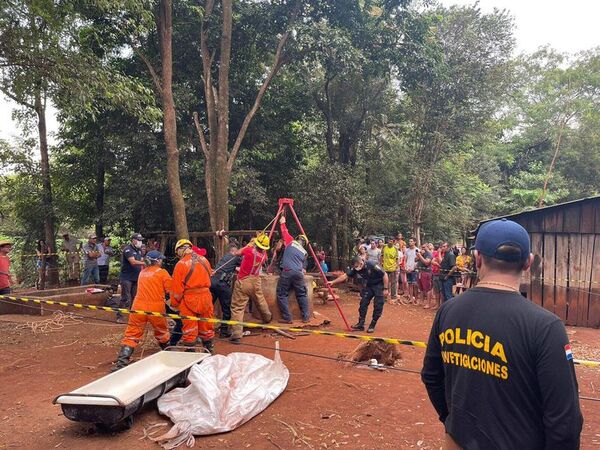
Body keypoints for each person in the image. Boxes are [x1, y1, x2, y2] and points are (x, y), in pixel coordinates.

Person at [421, 219, 583, 449]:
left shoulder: (449, 310)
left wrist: (453, 422)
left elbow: (431, 376)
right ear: (528, 262)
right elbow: (564, 418)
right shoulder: (546, 326)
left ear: (478, 258)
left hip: (458, 441)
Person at [112, 250, 172, 371]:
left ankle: (122, 363)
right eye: (161, 259)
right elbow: (170, 290)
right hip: (156, 307)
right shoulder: (162, 273)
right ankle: (170, 356)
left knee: (132, 334)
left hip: (138, 307)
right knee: (162, 332)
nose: (162, 261)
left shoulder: (142, 272)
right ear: (157, 261)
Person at [171, 239, 215, 352]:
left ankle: (190, 355)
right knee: (206, 327)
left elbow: (177, 290)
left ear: (180, 250)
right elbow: (209, 276)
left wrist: (175, 304)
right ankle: (209, 352)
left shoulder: (180, 264)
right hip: (206, 298)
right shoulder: (204, 260)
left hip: (189, 299)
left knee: (190, 330)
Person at [229, 234, 273, 344]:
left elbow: (237, 253)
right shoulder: (263, 255)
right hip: (255, 281)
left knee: (238, 308)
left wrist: (249, 244)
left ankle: (236, 334)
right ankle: (267, 317)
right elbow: (263, 252)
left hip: (243, 281)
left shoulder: (249, 250)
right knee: (260, 300)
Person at [329, 255, 389, 333]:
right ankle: (360, 324)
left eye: (357, 266)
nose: (356, 268)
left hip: (379, 285)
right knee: (363, 303)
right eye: (355, 267)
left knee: (378, 305)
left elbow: (385, 275)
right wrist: (333, 282)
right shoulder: (355, 269)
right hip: (369, 285)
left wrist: (385, 289)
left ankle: (372, 324)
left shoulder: (371, 264)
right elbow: (345, 276)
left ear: (361, 262)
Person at [276, 216, 310, 323]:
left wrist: (282, 222)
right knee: (301, 294)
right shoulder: (305, 252)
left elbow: (284, 230)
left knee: (281, 294)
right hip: (298, 274)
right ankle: (305, 317)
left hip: (287, 272)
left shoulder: (290, 242)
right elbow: (304, 265)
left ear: (297, 239)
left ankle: (287, 317)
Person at [210, 242, 242, 338]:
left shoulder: (224, 257)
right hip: (222, 284)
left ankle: (204, 329)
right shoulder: (235, 257)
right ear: (234, 251)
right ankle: (224, 331)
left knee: (208, 306)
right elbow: (244, 262)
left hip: (212, 282)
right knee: (227, 308)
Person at [117, 233, 146, 322]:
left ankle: (133, 316)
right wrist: (145, 263)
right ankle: (119, 316)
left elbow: (141, 260)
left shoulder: (139, 250)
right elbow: (133, 262)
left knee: (135, 297)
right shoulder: (127, 250)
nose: (140, 242)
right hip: (126, 278)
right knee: (125, 297)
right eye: (138, 240)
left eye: (141, 240)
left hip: (136, 277)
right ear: (133, 240)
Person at [416, 243, 433, 308]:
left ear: (427, 247)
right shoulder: (421, 253)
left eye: (424, 247)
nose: (422, 249)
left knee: (427, 288)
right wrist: (419, 255)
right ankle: (421, 301)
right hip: (420, 272)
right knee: (421, 288)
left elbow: (427, 263)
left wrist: (420, 256)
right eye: (421, 247)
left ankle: (428, 303)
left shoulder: (429, 253)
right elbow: (415, 260)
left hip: (427, 272)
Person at [404, 238, 418, 303]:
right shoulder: (407, 250)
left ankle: (416, 299)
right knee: (409, 284)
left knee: (415, 284)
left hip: (414, 269)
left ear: (414, 242)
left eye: (411, 241)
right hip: (408, 269)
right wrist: (405, 267)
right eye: (409, 241)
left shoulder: (417, 250)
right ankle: (411, 298)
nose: (410, 242)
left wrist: (413, 268)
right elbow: (405, 259)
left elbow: (418, 261)